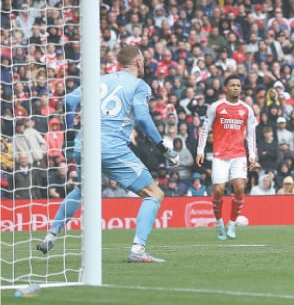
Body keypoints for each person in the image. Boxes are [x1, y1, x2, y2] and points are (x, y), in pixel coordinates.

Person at [37, 44, 180, 263]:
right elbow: (142, 118)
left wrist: (67, 136)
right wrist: (164, 149)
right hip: (110, 147)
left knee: (83, 189)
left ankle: (51, 235)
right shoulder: (139, 86)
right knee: (154, 194)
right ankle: (138, 250)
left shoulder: (99, 79)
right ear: (138, 62)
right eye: (143, 59)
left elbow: (68, 101)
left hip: (83, 144)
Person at [196, 74, 257, 240]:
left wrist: (252, 155)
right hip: (220, 155)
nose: (236, 88)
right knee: (218, 190)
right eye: (233, 85)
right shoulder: (215, 107)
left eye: (238, 85)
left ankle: (231, 223)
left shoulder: (247, 109)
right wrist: (200, 150)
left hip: (238, 154)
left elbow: (251, 134)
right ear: (225, 88)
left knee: (239, 187)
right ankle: (218, 222)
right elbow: (204, 129)